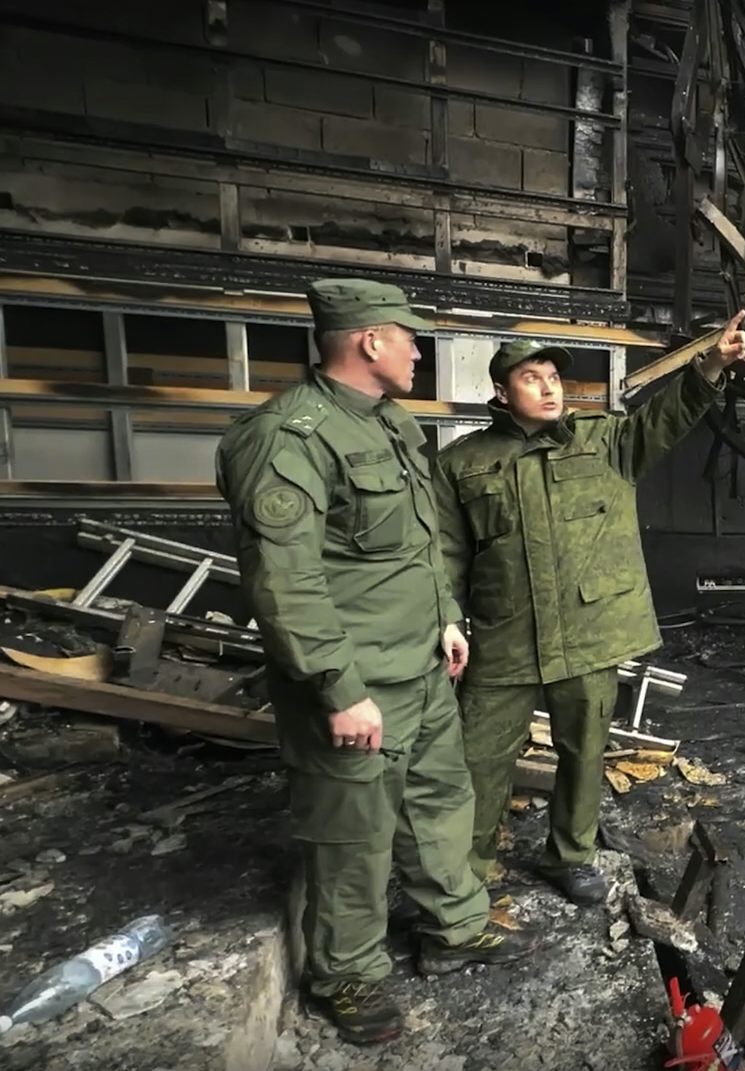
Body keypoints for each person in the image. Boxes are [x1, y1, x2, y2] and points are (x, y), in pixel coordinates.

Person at [216, 279, 534, 1046]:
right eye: (409, 336)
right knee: (352, 836)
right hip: (356, 683)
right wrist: (339, 688)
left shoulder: (389, 422)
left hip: (419, 666)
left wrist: (445, 617)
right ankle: (347, 974)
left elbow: (417, 544)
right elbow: (285, 583)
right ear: (369, 340)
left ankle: (454, 926)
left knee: (440, 801)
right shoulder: (288, 438)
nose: (418, 351)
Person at [435, 312, 745, 905]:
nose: (549, 387)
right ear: (501, 391)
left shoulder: (605, 441)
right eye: (532, 378)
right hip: (504, 634)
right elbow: (444, 552)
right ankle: (464, 872)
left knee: (583, 753)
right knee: (477, 757)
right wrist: (447, 618)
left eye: (554, 376)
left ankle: (570, 855)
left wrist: (711, 364)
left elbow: (667, 415)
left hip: (587, 632)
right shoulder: (461, 464)